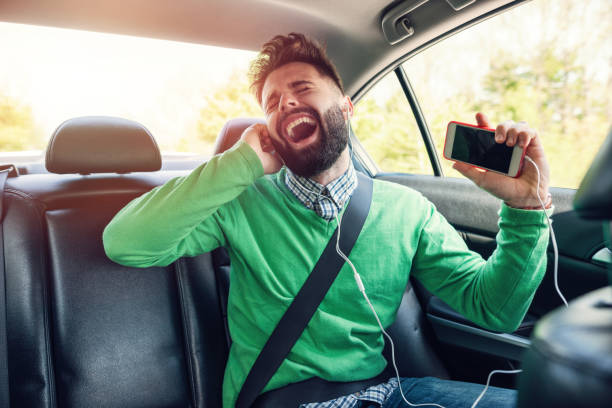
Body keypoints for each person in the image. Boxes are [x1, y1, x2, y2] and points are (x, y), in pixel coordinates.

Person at [103, 33, 553, 408]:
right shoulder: (241, 201)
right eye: (272, 102)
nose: (285, 104)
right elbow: (126, 243)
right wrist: (238, 164)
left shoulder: (406, 209)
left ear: (345, 106)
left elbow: (494, 309)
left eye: (301, 88)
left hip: (389, 394)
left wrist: (526, 209)